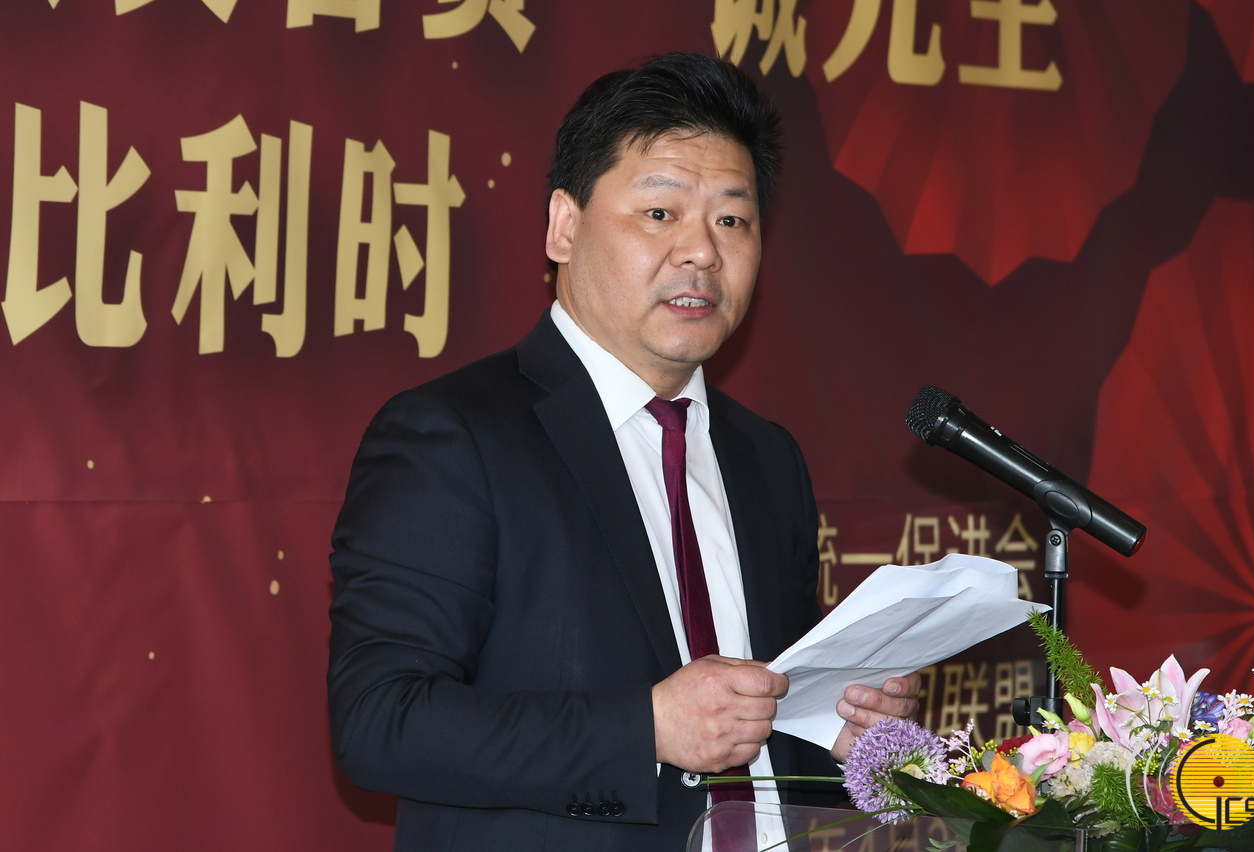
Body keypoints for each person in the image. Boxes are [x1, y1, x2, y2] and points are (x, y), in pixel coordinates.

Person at [327, 52, 920, 851]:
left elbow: (759, 738)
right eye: (660, 212)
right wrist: (646, 728)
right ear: (564, 227)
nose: (702, 252)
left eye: (732, 221)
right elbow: (380, 722)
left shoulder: (766, 458)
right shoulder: (452, 436)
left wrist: (839, 725)